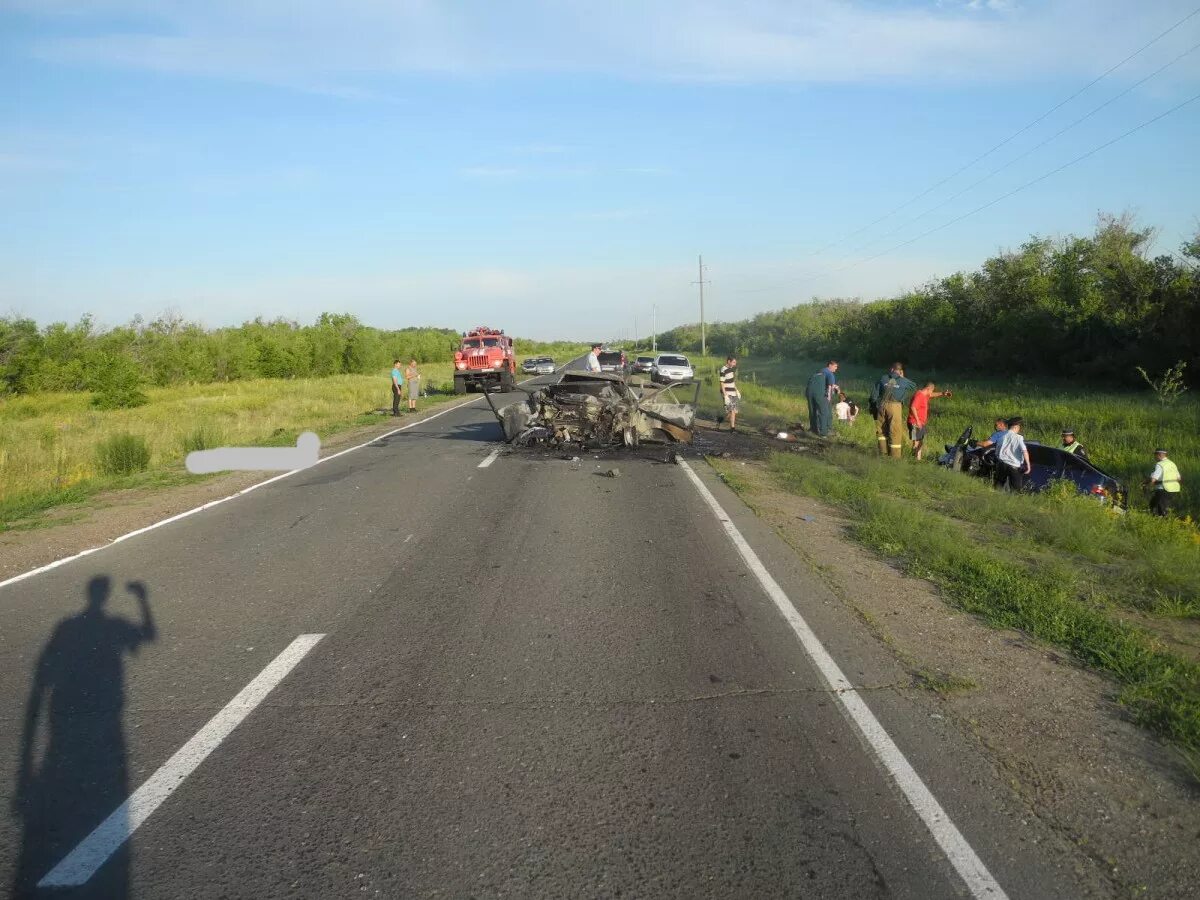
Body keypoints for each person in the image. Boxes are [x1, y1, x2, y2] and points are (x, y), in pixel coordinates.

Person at [869, 362, 916, 458]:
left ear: (891, 369)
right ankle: (894, 457)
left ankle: (883, 452)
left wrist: (873, 406)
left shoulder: (883, 378)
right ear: (901, 371)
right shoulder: (903, 381)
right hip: (895, 407)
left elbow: (874, 395)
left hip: (881, 405)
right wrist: (902, 377)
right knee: (895, 431)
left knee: (881, 430)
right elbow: (913, 386)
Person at [908, 381, 953, 460]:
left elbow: (932, 395)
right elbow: (913, 407)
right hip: (915, 422)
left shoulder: (925, 395)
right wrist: (917, 420)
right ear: (928, 388)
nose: (931, 393)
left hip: (921, 423)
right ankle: (914, 460)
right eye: (932, 390)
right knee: (916, 442)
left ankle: (918, 459)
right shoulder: (919, 395)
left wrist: (943, 393)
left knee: (920, 442)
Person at [994, 416, 1031, 491]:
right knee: (1016, 489)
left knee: (998, 486)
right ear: (1016, 427)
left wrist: (999, 459)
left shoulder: (1002, 437)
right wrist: (1028, 465)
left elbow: (997, 451)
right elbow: (1024, 451)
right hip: (1014, 466)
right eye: (1019, 428)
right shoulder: (1019, 438)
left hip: (1002, 464)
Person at [805, 360, 839, 437]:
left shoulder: (819, 371)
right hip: (819, 393)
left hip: (809, 392)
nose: (836, 369)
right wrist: (829, 397)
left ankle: (813, 429)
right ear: (830, 365)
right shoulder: (830, 373)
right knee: (823, 412)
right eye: (835, 366)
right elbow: (830, 386)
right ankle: (824, 432)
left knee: (812, 411)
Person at [1145, 448, 1182, 516]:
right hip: (1174, 489)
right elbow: (1179, 478)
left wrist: (1147, 486)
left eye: (1155, 455)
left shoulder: (1160, 464)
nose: (1154, 457)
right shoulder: (1172, 463)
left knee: (1160, 509)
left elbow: (1153, 479)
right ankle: (1157, 519)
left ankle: (1162, 521)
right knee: (1154, 504)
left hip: (1163, 489)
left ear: (1159, 455)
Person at [718, 355, 741, 430]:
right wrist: (725, 395)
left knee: (734, 411)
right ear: (729, 361)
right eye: (733, 362)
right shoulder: (723, 370)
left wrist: (736, 390)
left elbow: (732, 381)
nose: (735, 364)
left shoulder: (731, 369)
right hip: (727, 393)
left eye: (735, 362)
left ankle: (721, 420)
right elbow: (721, 383)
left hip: (733, 392)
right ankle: (732, 428)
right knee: (732, 410)